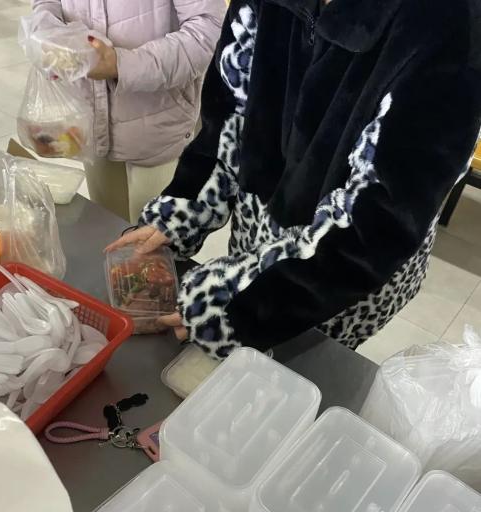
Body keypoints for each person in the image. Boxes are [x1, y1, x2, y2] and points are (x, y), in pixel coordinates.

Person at [108, 0, 481, 359]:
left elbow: (379, 220)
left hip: (340, 278)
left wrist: (241, 306)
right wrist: (186, 205)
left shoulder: (450, 21)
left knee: (305, 368)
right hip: (257, 236)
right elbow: (228, 112)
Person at [32, 0, 225, 223]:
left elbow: (208, 30)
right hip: (92, 124)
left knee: (154, 238)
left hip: (158, 128)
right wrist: (47, 34)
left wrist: (122, 64)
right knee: (107, 230)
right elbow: (46, 4)